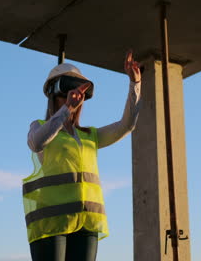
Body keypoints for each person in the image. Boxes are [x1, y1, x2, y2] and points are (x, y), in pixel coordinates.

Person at [23, 51, 142, 261]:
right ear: (53, 94)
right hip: (52, 224)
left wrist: (135, 84)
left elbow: (127, 125)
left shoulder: (91, 136)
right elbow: (36, 142)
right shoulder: (40, 127)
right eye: (66, 93)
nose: (73, 98)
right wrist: (66, 109)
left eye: (77, 94)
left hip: (87, 222)